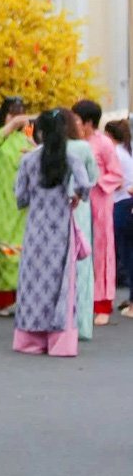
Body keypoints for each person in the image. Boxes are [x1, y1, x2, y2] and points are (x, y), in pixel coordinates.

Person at [13, 108, 93, 358]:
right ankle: (60, 340)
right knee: (61, 283)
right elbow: (85, 185)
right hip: (61, 228)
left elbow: (21, 198)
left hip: (36, 229)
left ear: (40, 132)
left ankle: (31, 339)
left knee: (33, 282)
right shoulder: (71, 159)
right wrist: (76, 199)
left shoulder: (28, 161)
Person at [72, 99, 122, 324]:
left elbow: (116, 174)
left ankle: (102, 304)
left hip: (99, 204)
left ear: (89, 122)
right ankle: (79, 302)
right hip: (76, 204)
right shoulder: (73, 142)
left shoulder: (104, 143)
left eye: (77, 119)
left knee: (101, 253)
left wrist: (96, 182)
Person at [0, 98, 32, 313]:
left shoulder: (25, 140)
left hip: (19, 203)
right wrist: (11, 125)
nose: (17, 117)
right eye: (12, 113)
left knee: (20, 249)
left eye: (20, 112)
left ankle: (19, 295)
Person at [61, 109, 98, 340]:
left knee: (61, 266)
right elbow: (92, 178)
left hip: (56, 209)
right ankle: (82, 324)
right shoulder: (83, 148)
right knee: (82, 264)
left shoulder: (47, 150)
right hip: (80, 207)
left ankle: (63, 321)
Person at [104, 118, 133, 312]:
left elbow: (118, 182)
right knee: (128, 253)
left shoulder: (115, 153)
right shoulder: (125, 151)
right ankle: (131, 297)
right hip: (126, 202)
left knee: (127, 254)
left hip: (121, 203)